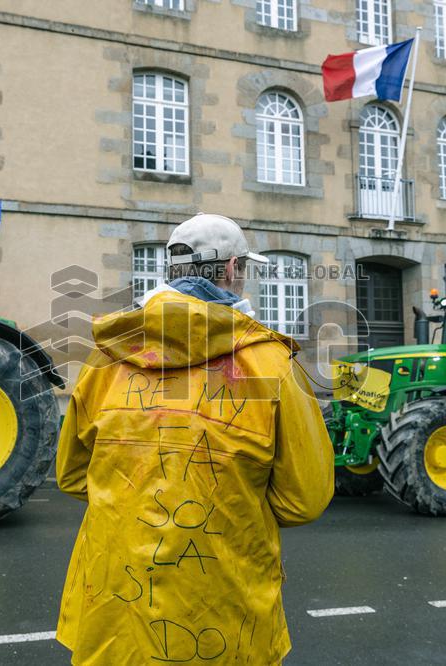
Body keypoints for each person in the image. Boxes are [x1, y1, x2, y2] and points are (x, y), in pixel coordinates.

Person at [56, 213, 333, 665]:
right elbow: (304, 500)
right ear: (228, 270)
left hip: (114, 622)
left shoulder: (106, 360)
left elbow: (70, 476)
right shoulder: (272, 366)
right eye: (243, 268)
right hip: (224, 623)